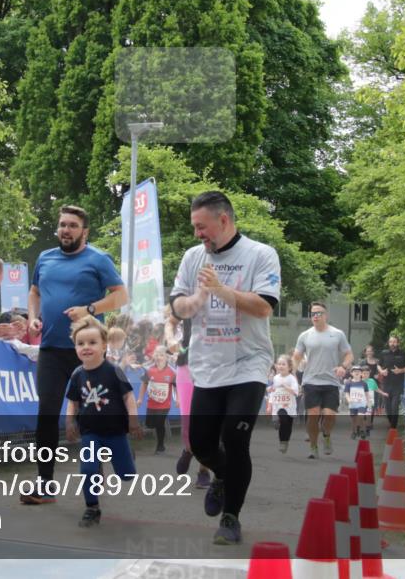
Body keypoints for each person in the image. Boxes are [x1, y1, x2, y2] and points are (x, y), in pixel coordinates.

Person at [169, 191, 281, 545]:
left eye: (202, 227)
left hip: (248, 362)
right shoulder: (192, 258)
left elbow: (264, 307)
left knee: (235, 437)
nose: (197, 234)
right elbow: (178, 307)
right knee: (201, 443)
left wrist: (220, 289)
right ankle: (221, 476)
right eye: (194, 227)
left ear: (224, 220)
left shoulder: (260, 254)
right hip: (208, 364)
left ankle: (231, 518)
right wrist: (197, 299)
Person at [23, 205, 127, 504]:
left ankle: (97, 470)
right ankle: (44, 485)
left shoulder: (98, 259)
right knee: (46, 413)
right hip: (51, 350)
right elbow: (34, 292)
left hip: (88, 354)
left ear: (85, 231)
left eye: (72, 225)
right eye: (62, 224)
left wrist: (90, 310)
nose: (65, 230)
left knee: (93, 416)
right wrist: (33, 317)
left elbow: (121, 295)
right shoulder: (45, 258)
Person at [64, 317, 142, 527]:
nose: (86, 347)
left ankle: (126, 456)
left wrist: (133, 421)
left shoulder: (113, 370)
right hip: (90, 432)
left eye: (92, 342)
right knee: (88, 470)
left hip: (116, 432)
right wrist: (69, 422)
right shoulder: (77, 375)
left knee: (127, 475)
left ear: (104, 345)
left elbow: (128, 397)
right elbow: (72, 402)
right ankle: (92, 507)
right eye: (80, 343)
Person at [293, 301, 353, 459]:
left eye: (319, 313)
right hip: (311, 381)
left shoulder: (337, 334)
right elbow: (297, 357)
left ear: (325, 315)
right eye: (313, 313)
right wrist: (292, 374)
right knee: (313, 415)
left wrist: (343, 366)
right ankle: (313, 445)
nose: (316, 316)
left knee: (329, 416)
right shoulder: (305, 335)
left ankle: (326, 436)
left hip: (331, 382)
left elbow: (349, 354)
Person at [166, 310, 213, 489]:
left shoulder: (227, 296)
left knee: (209, 423)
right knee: (189, 422)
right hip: (186, 363)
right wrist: (171, 339)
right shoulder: (188, 297)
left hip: (215, 365)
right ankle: (188, 449)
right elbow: (169, 321)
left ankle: (203, 471)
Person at [138, 346, 175, 454]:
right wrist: (140, 398)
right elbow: (143, 385)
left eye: (162, 355)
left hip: (165, 404)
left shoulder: (171, 372)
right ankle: (159, 444)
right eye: (157, 355)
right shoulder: (150, 370)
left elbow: (176, 387)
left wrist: (178, 400)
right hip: (152, 403)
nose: (159, 357)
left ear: (166, 358)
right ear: (154, 356)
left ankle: (160, 446)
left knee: (160, 423)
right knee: (150, 424)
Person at [267, 355, 299, 453]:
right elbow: (272, 391)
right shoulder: (275, 378)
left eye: (283, 364)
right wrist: (269, 405)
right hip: (278, 405)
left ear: (289, 367)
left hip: (289, 406)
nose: (280, 366)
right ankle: (281, 440)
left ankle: (285, 442)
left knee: (288, 425)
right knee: (283, 418)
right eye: (279, 364)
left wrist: (286, 387)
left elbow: (296, 392)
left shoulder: (292, 378)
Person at [378, 334, 405, 429]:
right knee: (387, 408)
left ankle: (393, 427)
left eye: (394, 342)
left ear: (398, 343)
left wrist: (400, 370)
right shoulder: (384, 353)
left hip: (398, 385)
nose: (392, 344)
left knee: (394, 407)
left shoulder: (402, 353)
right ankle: (391, 423)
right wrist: (381, 371)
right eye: (391, 342)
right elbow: (378, 365)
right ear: (388, 343)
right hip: (386, 384)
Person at [344, 365, 371, 439]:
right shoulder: (348, 383)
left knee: (360, 416)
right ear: (351, 373)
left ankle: (362, 430)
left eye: (358, 371)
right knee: (354, 419)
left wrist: (368, 403)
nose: (357, 373)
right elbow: (346, 393)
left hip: (362, 403)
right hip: (353, 404)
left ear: (361, 373)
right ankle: (354, 431)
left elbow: (367, 394)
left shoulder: (364, 383)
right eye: (355, 371)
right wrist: (349, 400)